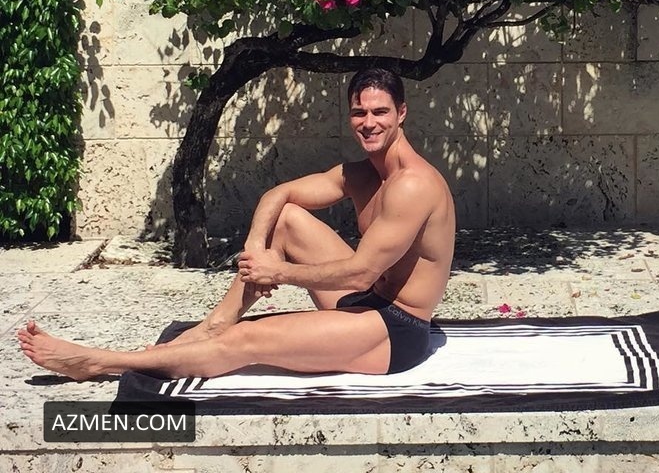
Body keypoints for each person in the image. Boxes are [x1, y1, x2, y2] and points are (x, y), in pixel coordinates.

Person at [18, 68, 456, 381]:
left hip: (397, 329)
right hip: (366, 302)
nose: (369, 123)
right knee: (286, 219)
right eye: (359, 113)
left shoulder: (412, 184)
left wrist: (278, 271)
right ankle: (216, 323)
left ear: (401, 112)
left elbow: (361, 272)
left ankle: (101, 362)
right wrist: (255, 252)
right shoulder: (362, 174)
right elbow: (278, 196)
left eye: (380, 112)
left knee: (246, 342)